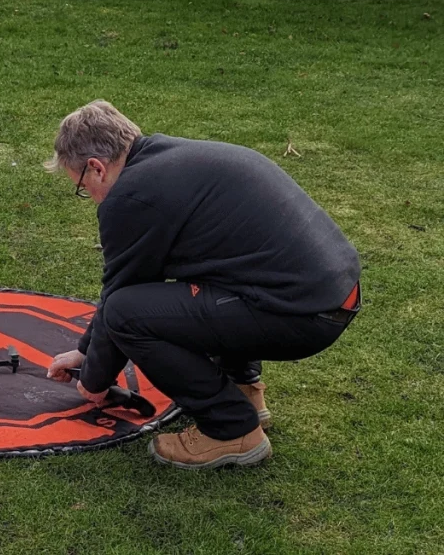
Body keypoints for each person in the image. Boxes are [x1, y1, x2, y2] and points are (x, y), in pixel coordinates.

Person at [44, 100, 361, 469]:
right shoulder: (177, 158)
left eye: (82, 187)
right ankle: (244, 393)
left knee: (127, 314)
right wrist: (85, 353)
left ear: (96, 168)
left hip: (301, 314)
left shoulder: (131, 197)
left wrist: (94, 380)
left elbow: (120, 297)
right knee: (211, 277)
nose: (90, 197)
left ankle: (231, 429)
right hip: (330, 295)